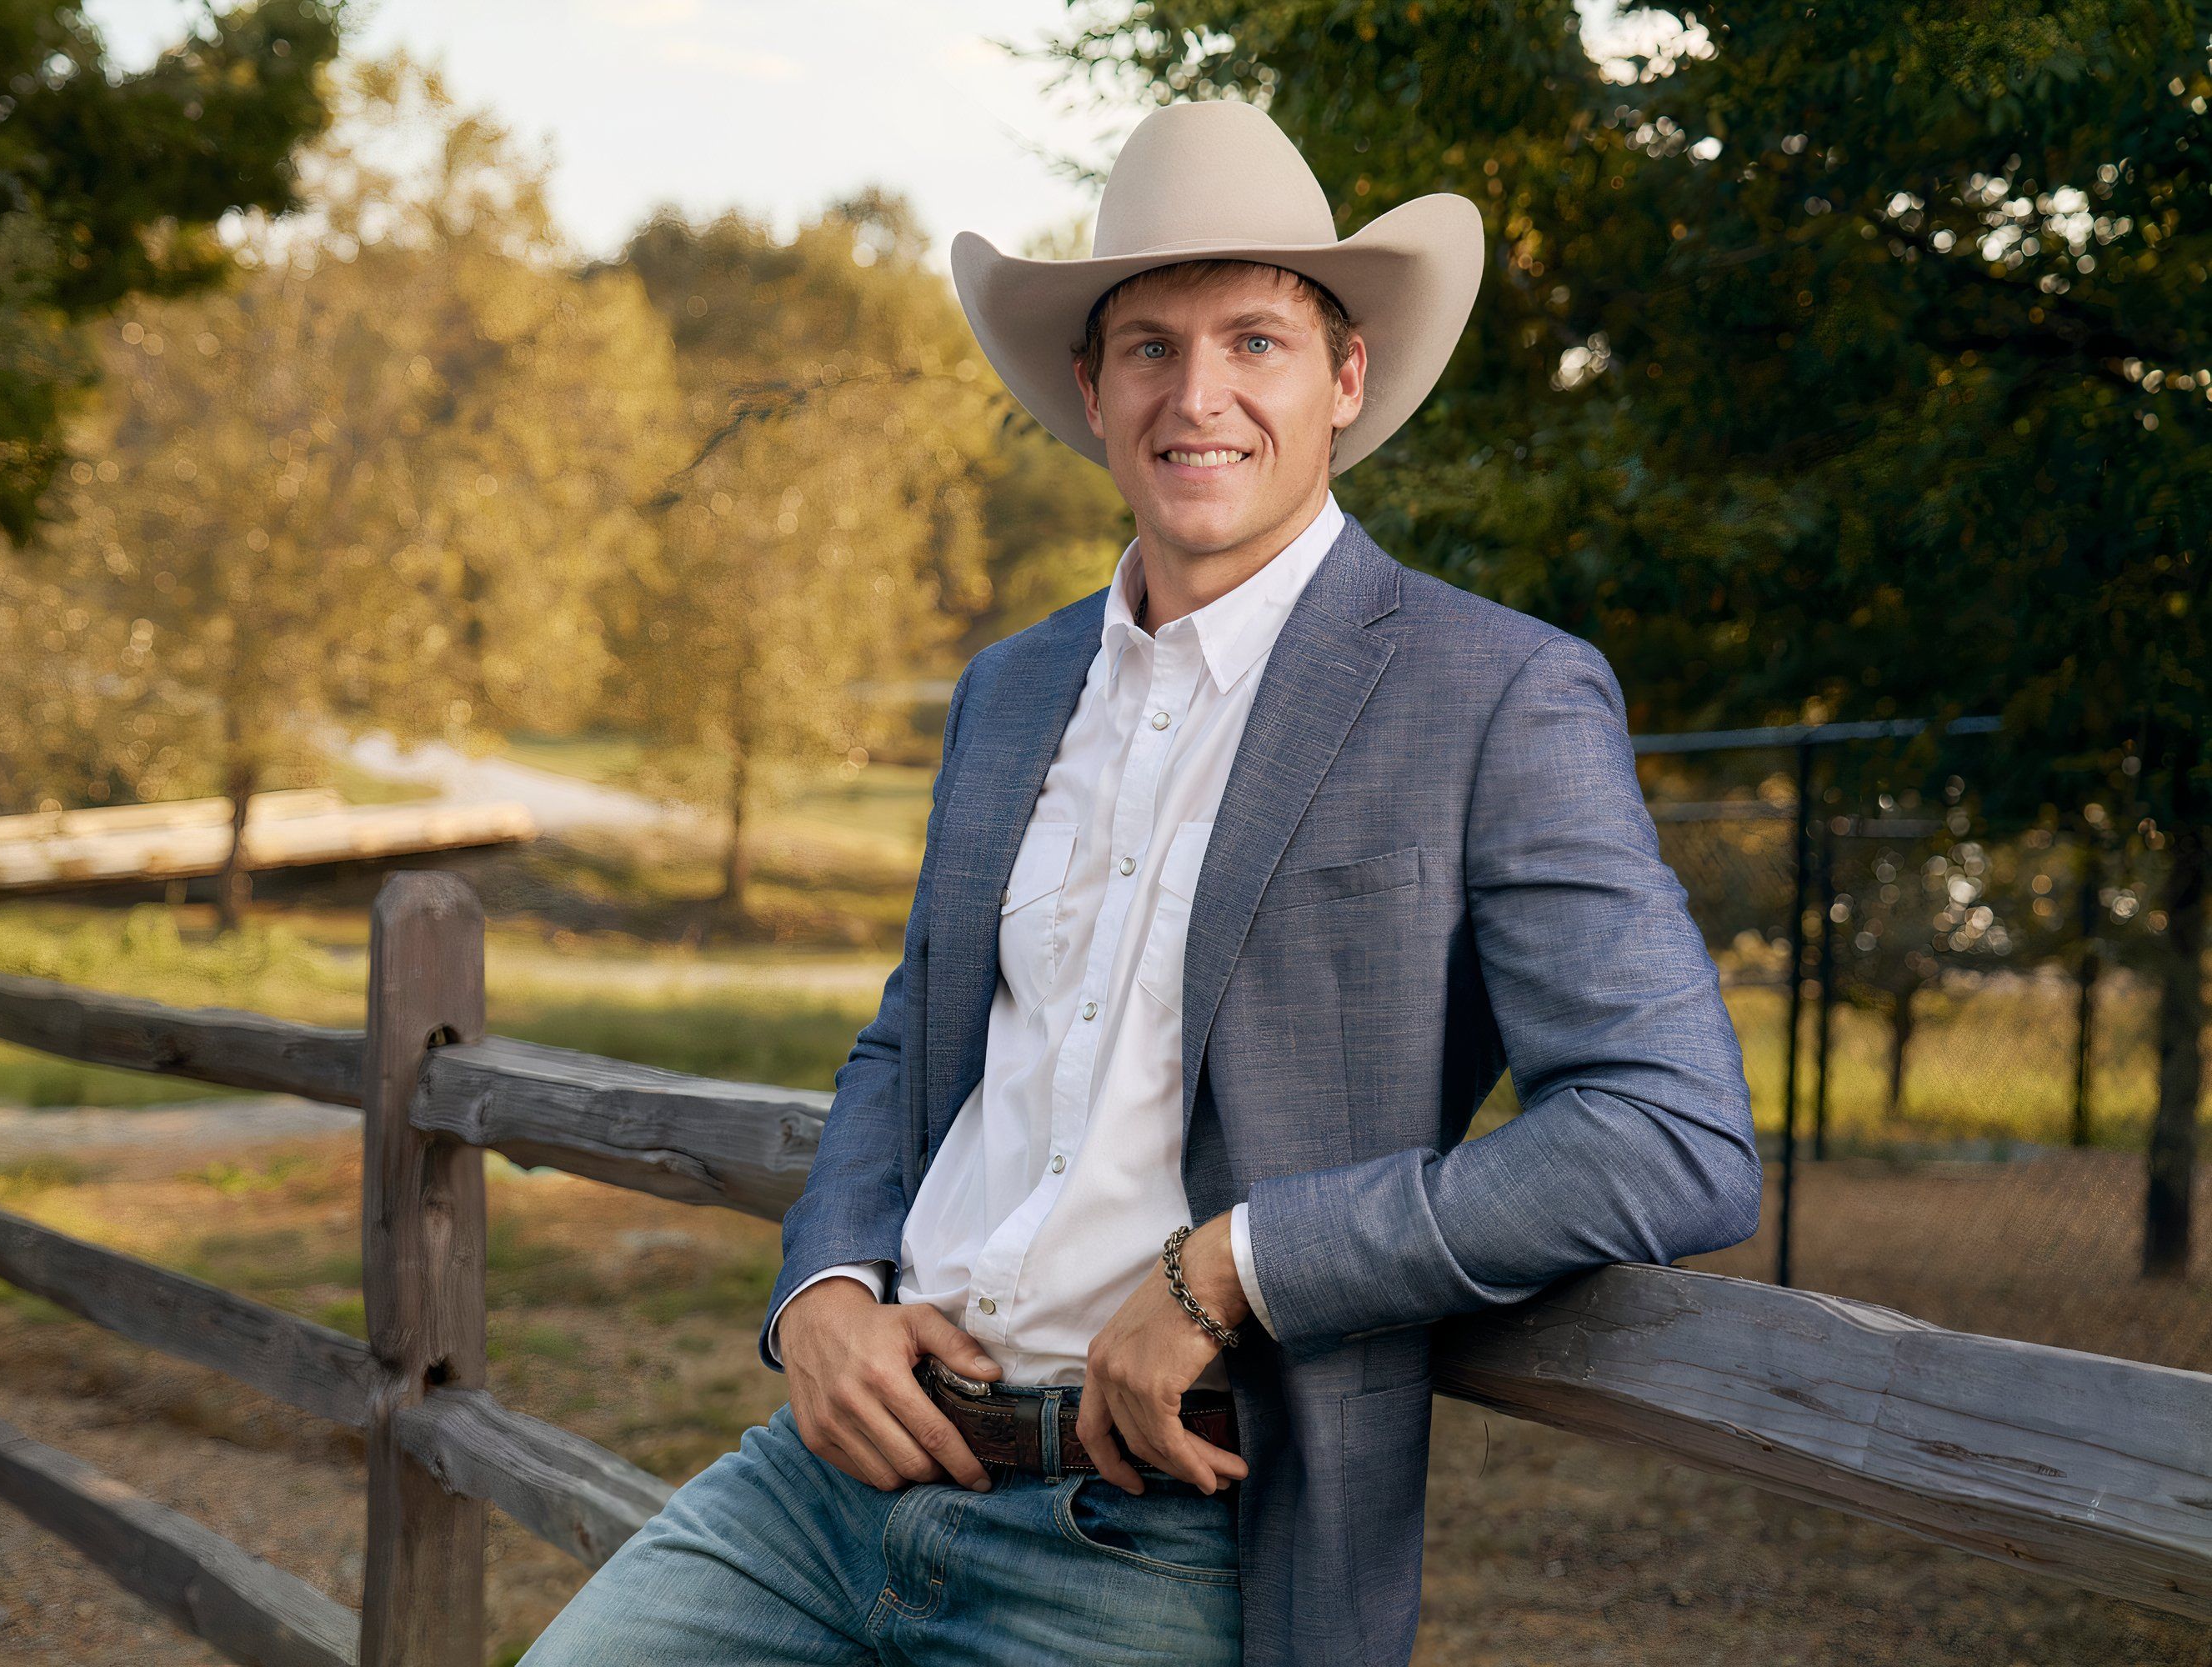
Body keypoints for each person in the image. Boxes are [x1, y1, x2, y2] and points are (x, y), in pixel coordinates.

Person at [518, 98, 1761, 1667]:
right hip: (835, 1487)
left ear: (1345, 379)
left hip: (1158, 1534)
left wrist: (1238, 1266)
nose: (1203, 396)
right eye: (1152, 349)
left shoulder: (1496, 694)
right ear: (1093, 392)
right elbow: (914, 1043)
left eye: (1256, 341)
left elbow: (1672, 1136)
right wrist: (822, 1288)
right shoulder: (1012, 689)